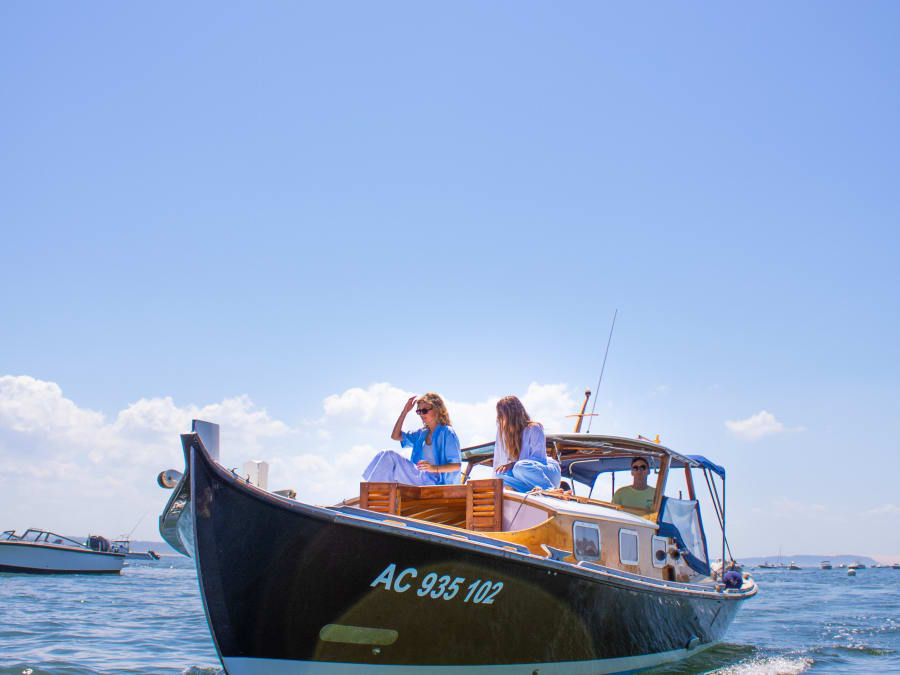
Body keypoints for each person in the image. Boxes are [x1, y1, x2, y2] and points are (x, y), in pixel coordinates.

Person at [362, 393, 461, 485]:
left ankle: (372, 492)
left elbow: (456, 465)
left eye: (424, 411)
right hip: (421, 477)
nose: (421, 414)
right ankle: (372, 491)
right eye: (419, 411)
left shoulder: (447, 432)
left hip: (437, 482)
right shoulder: (421, 434)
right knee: (382, 454)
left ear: (437, 410)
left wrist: (433, 468)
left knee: (390, 455)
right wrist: (404, 412)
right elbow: (395, 436)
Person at [492, 396, 561, 492]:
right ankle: (530, 492)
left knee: (520, 467)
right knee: (499, 476)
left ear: (511, 414)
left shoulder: (534, 429)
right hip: (524, 476)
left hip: (546, 473)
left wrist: (513, 464)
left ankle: (550, 490)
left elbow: (539, 459)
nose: (499, 418)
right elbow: (498, 463)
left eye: (501, 414)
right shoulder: (505, 435)